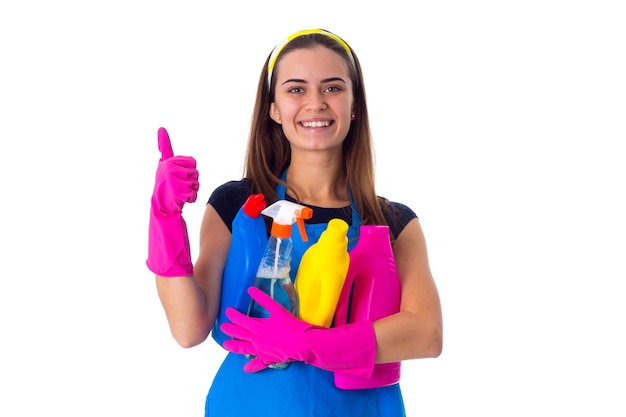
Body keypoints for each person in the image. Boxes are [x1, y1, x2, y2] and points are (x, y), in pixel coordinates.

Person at [147, 28, 443, 417]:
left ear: (355, 106)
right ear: (274, 108)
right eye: (296, 89)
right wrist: (165, 219)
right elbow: (189, 329)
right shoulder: (237, 205)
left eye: (333, 88)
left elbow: (427, 333)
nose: (315, 103)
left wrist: (310, 343)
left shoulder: (391, 223)